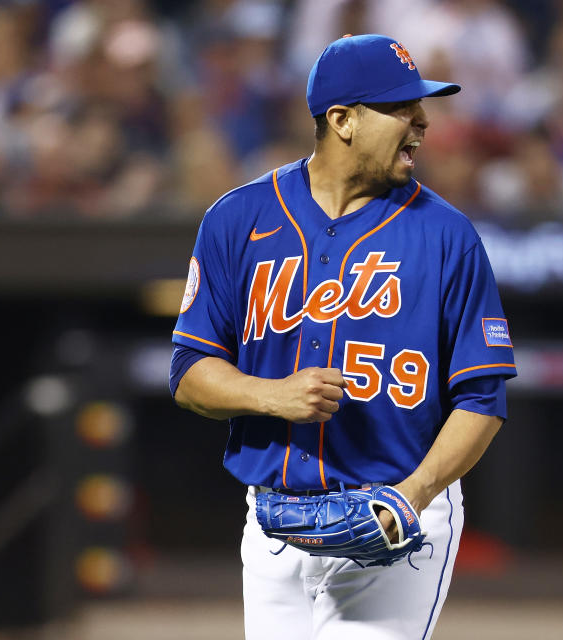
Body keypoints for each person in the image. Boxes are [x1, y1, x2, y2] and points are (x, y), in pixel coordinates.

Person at [169, 34, 517, 640]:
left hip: (399, 519)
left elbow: (483, 400)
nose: (423, 122)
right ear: (343, 120)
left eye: (422, 107)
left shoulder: (446, 236)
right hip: (275, 525)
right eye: (402, 108)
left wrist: (411, 496)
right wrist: (268, 395)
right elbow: (190, 372)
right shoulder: (239, 218)